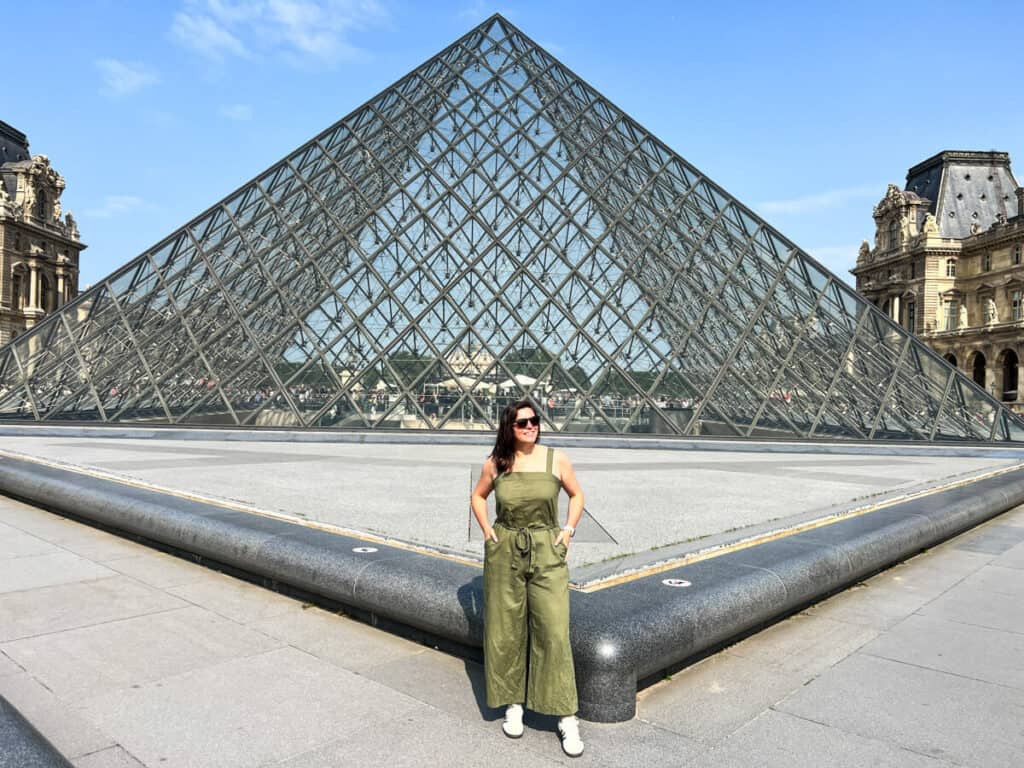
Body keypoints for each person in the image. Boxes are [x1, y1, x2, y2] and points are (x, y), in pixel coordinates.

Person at [470, 398, 585, 758]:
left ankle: (566, 715)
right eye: (522, 423)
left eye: (534, 420)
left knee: (553, 630)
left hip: (546, 550)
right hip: (506, 551)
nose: (530, 426)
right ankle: (513, 703)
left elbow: (577, 494)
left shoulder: (556, 458)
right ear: (509, 427)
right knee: (506, 629)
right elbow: (477, 497)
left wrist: (567, 530)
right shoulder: (497, 463)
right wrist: (488, 532)